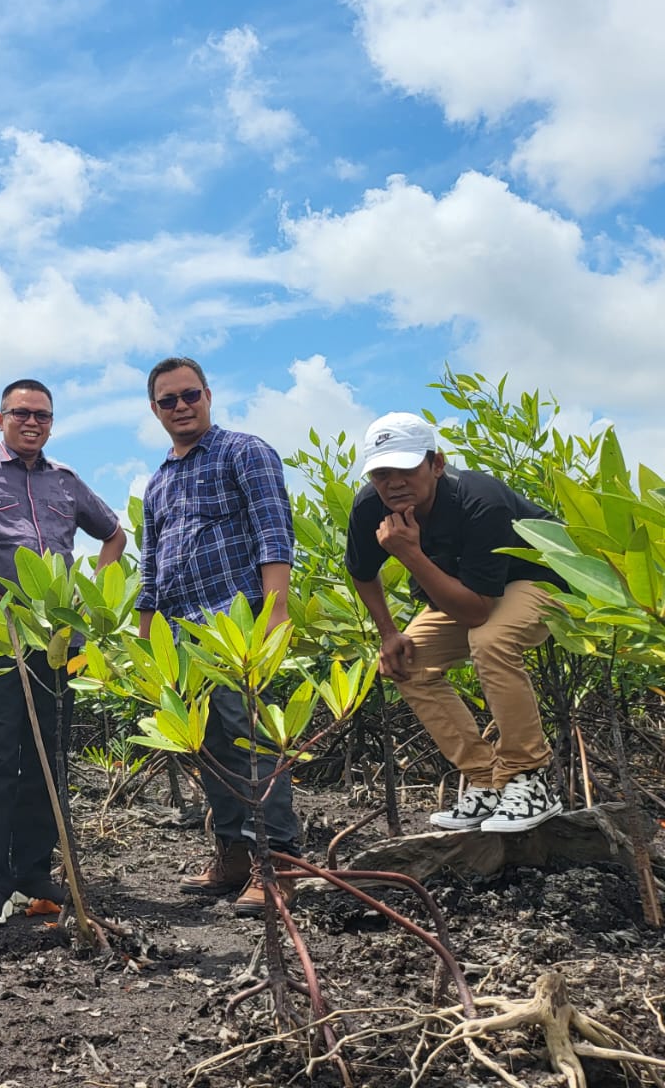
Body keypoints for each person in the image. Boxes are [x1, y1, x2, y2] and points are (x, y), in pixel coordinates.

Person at [0, 379, 126, 929]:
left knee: (50, 754)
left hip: (57, 637)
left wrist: (93, 587)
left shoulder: (65, 481)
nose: (33, 422)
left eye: (43, 415)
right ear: (0, 419)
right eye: (22, 413)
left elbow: (114, 536)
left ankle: (35, 872)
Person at [345, 412, 566, 832]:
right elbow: (361, 570)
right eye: (381, 473)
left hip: (542, 578)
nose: (393, 483)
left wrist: (409, 553)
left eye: (406, 468)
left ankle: (528, 778)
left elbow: (476, 614)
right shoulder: (370, 506)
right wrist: (389, 634)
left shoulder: (480, 500)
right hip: (470, 590)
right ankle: (488, 781)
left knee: (491, 640)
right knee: (407, 661)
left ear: (437, 464)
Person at [135, 357, 301, 914]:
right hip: (180, 632)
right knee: (205, 747)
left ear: (208, 394)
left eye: (189, 396)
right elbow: (150, 565)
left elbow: (273, 529)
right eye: (168, 401)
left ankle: (275, 863)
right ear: (155, 410)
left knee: (251, 742)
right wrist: (146, 633)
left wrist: (275, 612)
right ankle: (231, 853)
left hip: (237, 626)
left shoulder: (243, 451)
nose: (181, 407)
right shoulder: (157, 482)